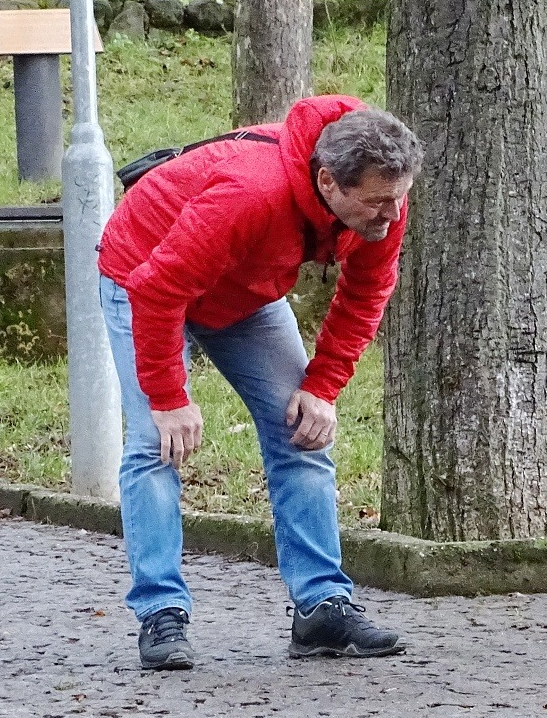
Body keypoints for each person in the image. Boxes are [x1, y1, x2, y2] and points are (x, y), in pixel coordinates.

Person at [97, 94, 423, 670]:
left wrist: (322, 386)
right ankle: (161, 614)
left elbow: (367, 293)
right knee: (155, 444)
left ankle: (322, 609)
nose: (392, 217)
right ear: (328, 182)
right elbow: (158, 288)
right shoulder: (252, 194)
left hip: (243, 292)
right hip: (145, 277)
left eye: (398, 201)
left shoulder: (382, 200)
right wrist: (169, 397)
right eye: (376, 204)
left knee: (303, 431)